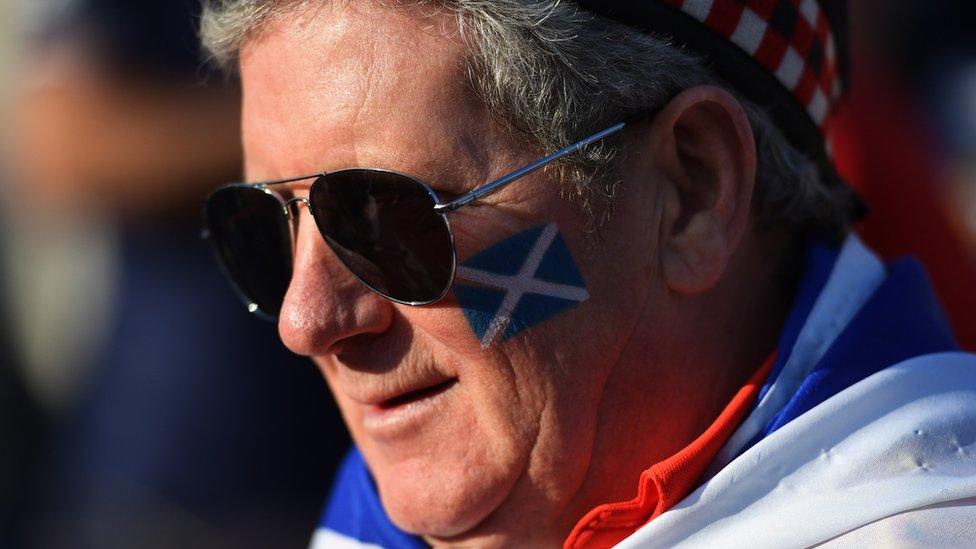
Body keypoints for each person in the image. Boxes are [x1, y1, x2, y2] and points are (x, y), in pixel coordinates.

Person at [198, 0, 976, 547]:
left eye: (385, 217)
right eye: (267, 226)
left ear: (693, 194)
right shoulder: (371, 520)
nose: (304, 321)